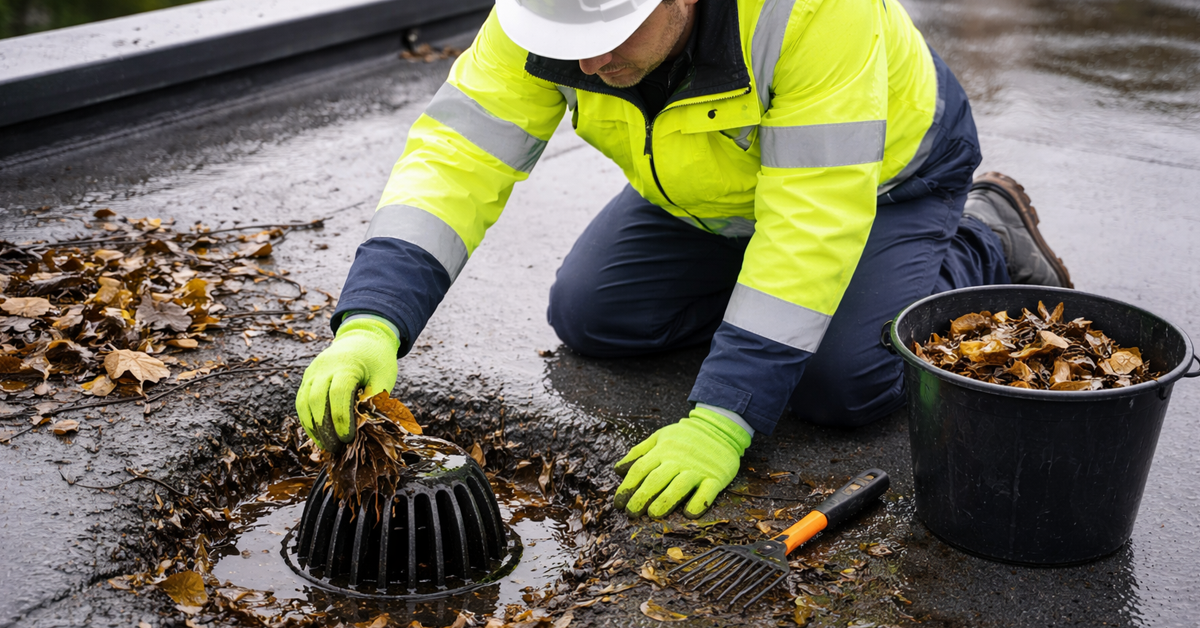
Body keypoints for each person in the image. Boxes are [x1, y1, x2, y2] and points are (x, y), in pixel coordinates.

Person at [295, 0, 1072, 519]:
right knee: (594, 316)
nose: (587, 66)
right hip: (713, 196)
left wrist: (726, 413)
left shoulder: (813, 14)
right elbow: (460, 155)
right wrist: (371, 322)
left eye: (605, 41)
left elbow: (813, 217)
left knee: (839, 383)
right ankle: (770, 297)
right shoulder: (543, 15)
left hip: (888, 178)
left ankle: (986, 232)